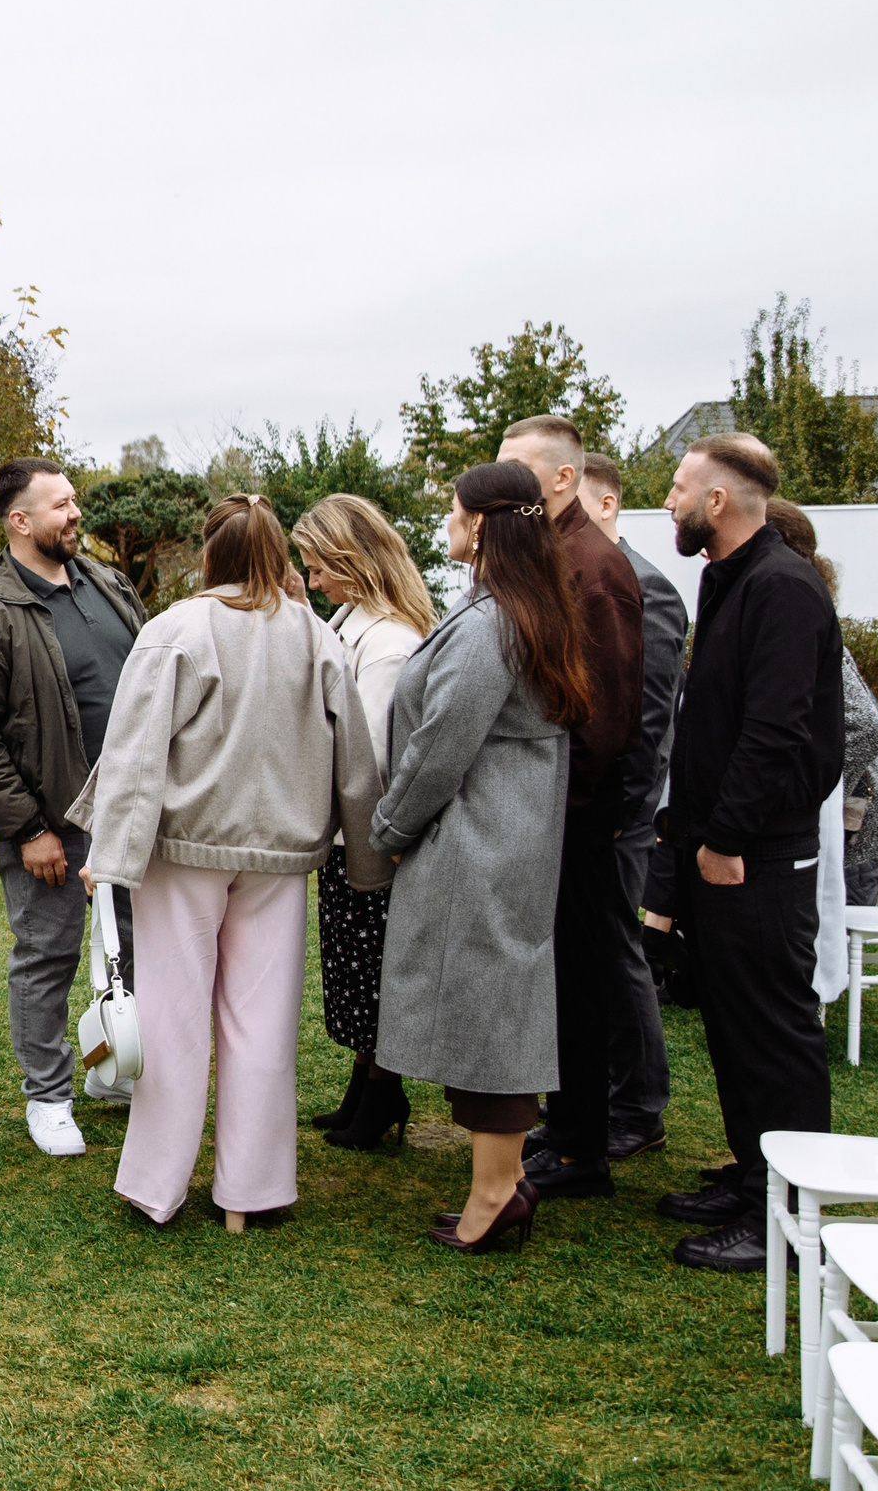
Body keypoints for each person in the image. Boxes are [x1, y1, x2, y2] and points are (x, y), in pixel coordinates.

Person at [71, 493, 386, 1228]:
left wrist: (112, 856)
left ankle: (157, 1187)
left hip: (185, 854)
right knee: (262, 1022)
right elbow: (357, 760)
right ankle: (253, 1190)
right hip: (279, 857)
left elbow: (135, 753)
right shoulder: (316, 637)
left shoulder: (175, 628)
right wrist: (367, 860)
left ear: (210, 552)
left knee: (175, 1015)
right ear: (276, 551)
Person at [373, 461, 590, 1253]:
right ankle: (495, 1185)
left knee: (491, 1017)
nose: (448, 523)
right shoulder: (527, 606)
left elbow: (441, 746)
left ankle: (497, 1192)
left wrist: (391, 827)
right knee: (497, 1005)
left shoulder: (493, 622)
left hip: (479, 843)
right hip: (513, 837)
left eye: (456, 511)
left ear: (486, 523)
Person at [647, 433, 842, 1271]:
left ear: (718, 501)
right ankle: (756, 1170)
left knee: (772, 1025)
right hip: (716, 849)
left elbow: (775, 731)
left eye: (681, 488)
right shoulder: (726, 579)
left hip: (757, 852)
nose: (670, 502)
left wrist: (726, 839)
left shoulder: (783, 588)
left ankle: (786, 1217)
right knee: (729, 1021)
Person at [0, 456, 148, 1158]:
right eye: (60, 505)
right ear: (19, 521)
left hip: (131, 808)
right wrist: (29, 828)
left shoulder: (109, 583)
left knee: (135, 946)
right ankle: (49, 1095)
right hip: (52, 821)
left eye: (74, 500)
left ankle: (109, 1066)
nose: (75, 513)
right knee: (48, 954)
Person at [493, 418, 644, 1206]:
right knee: (557, 978)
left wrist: (567, 800)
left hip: (579, 811)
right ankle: (569, 1121)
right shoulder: (550, 554)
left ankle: (584, 1146)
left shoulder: (595, 566)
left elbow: (611, 711)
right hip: (553, 806)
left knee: (580, 979)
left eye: (516, 470)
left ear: (559, 479)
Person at [285, 493, 434, 1149]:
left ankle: (382, 1091)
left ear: (351, 558)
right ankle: (365, 1085)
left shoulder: (390, 644)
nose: (315, 581)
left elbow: (367, 751)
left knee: (373, 971)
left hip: (369, 836)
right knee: (355, 971)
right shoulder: (355, 623)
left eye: (320, 567)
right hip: (349, 832)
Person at [563, 450, 683, 1159]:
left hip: (621, 809)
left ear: (603, 503)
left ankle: (638, 1104)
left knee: (617, 948)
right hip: (590, 804)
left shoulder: (646, 584)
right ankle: (596, 1093)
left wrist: (622, 813)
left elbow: (645, 715)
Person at [768, 499, 878, 994]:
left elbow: (866, 725)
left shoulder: (800, 608)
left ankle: (826, 989)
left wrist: (809, 781)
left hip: (850, 809)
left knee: (838, 903)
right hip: (836, 800)